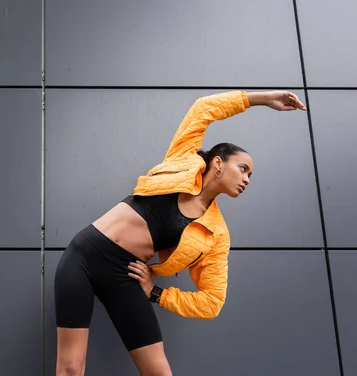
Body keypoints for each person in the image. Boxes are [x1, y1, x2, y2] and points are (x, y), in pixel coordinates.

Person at [53, 90, 307, 376]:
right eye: (244, 169)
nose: (247, 179)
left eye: (251, 175)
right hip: (83, 257)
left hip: (124, 275)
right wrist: (263, 99)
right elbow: (204, 108)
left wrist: (157, 294)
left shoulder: (215, 234)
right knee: (71, 367)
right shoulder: (182, 160)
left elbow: (212, 303)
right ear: (218, 163)